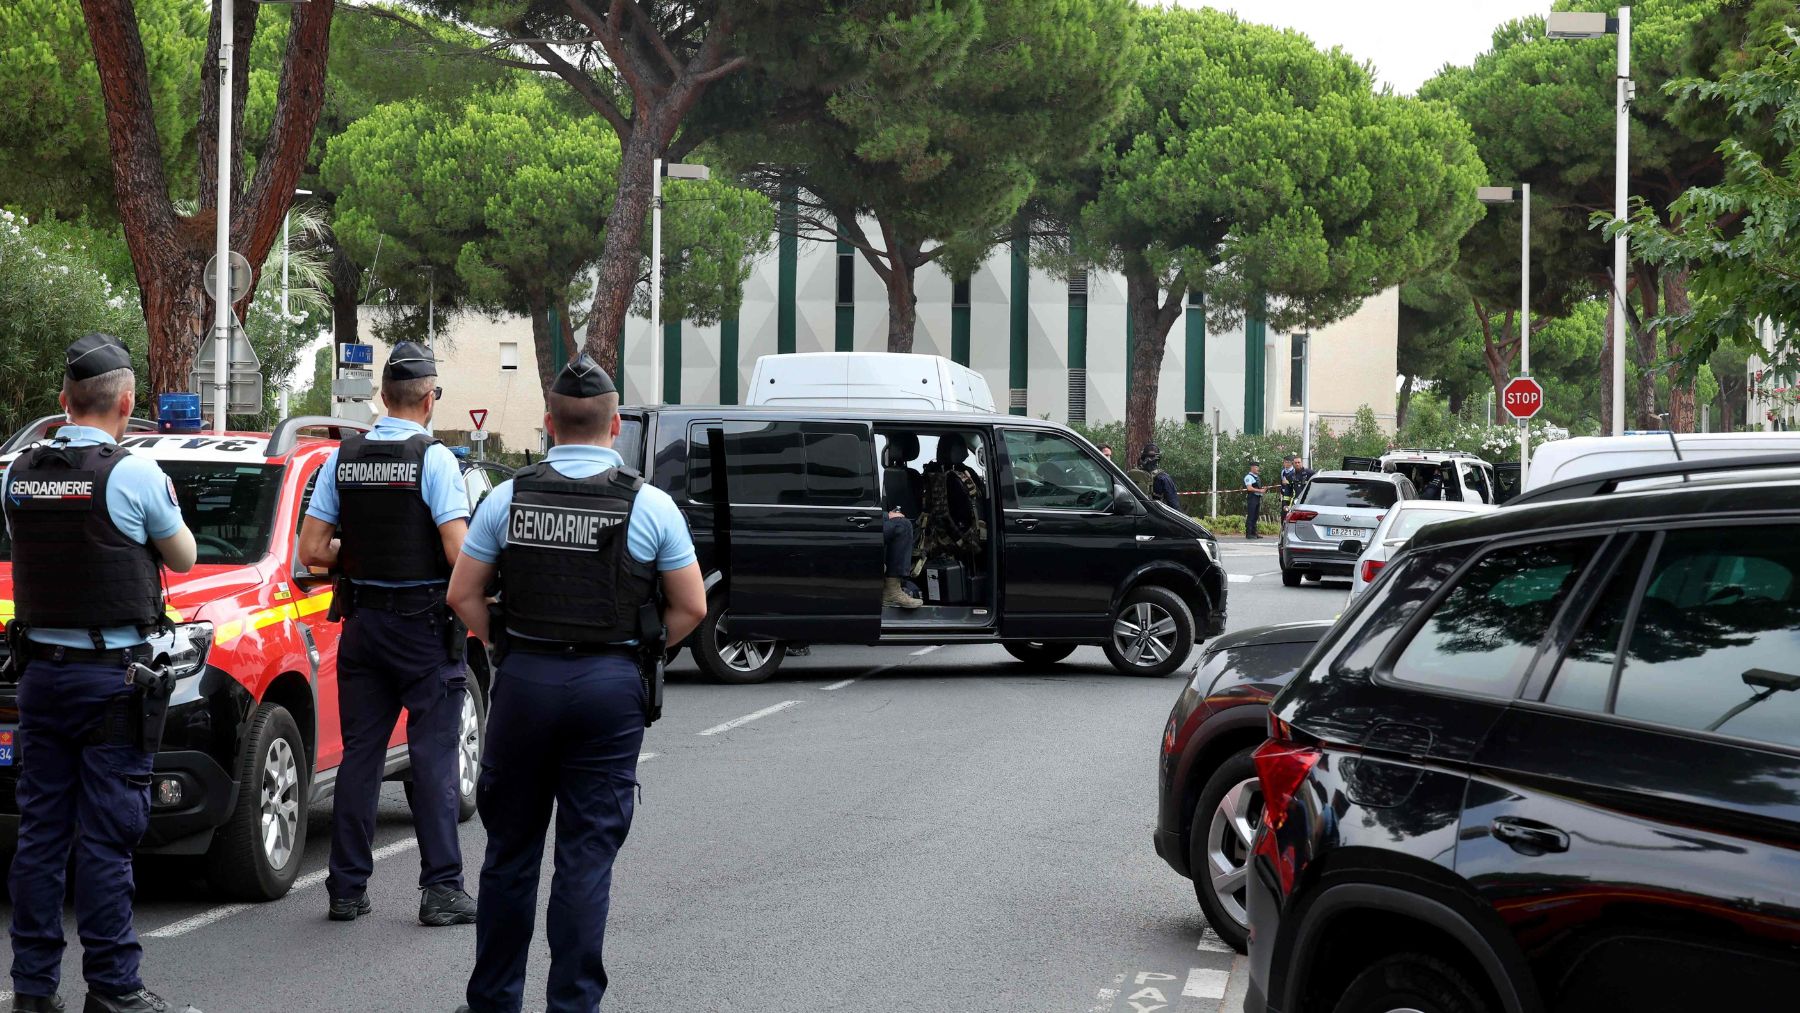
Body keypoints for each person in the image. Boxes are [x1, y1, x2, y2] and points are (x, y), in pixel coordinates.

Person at [447, 354, 706, 1013]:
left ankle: (495, 1002)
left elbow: (464, 593)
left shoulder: (507, 498)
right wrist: (640, 655)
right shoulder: (649, 505)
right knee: (585, 858)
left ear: (546, 423)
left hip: (526, 680)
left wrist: (506, 643)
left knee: (509, 855)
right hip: (608, 686)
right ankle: (573, 1005)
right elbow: (692, 607)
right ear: (615, 424)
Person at [4, 334, 202, 1013]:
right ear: (126, 403)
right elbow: (182, 555)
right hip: (110, 681)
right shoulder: (134, 474)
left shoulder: (17, 472)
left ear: (63, 401)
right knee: (108, 835)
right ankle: (113, 986)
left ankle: (33, 988)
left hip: (39, 677)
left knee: (40, 836)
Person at [298, 341, 476, 927]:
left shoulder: (342, 459)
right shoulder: (436, 461)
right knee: (431, 760)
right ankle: (441, 890)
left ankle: (346, 889)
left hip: (363, 626)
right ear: (428, 399)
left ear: (382, 397)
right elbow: (458, 554)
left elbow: (314, 551)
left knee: (362, 758)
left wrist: (363, 552)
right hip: (423, 628)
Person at [880, 435, 924, 609]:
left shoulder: (889, 473)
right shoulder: (911, 476)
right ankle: (892, 591)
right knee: (903, 525)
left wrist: (885, 515)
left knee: (897, 519)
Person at [1139, 443, 1181, 510]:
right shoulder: (1163, 478)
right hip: (1155, 516)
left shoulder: (1131, 474)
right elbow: (1174, 506)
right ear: (1157, 459)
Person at [1243, 462, 1267, 539]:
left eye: (1258, 467)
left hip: (1257, 498)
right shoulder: (1248, 477)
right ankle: (1249, 533)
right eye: (1256, 467)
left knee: (1255, 516)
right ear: (1252, 468)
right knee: (1251, 516)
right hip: (1252, 498)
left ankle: (1254, 533)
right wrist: (1260, 491)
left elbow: (1257, 487)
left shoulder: (1257, 477)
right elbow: (1249, 488)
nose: (1258, 469)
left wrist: (1263, 489)